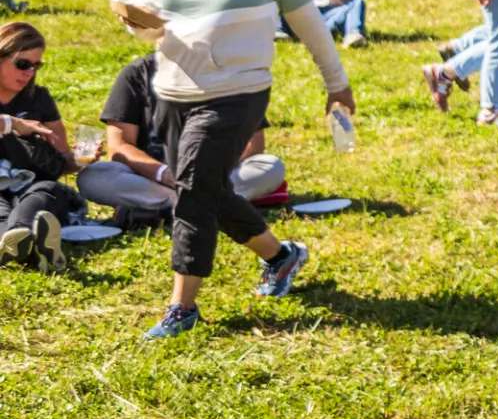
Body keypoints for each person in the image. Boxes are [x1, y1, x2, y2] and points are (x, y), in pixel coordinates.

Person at [136, 0, 355, 338]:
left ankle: (182, 308)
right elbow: (154, 29)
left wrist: (337, 85)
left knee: (193, 189)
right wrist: (134, 21)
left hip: (236, 94)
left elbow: (312, 29)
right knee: (208, 189)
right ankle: (280, 256)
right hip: (173, 93)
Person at [76, 53, 289, 226]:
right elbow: (120, 148)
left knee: (270, 166)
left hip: (216, 174)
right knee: (92, 176)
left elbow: (254, 141)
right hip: (153, 178)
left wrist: (211, 171)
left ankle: (169, 210)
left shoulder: (230, 74)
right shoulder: (137, 74)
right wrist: (163, 173)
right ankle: (206, 207)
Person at [0, 23, 78, 273]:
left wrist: (78, 162)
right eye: (23, 64)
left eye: (36, 66)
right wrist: (14, 124)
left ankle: (19, 241)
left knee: (48, 190)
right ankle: (34, 248)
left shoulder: (39, 98)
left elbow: (63, 158)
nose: (30, 73)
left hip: (33, 186)